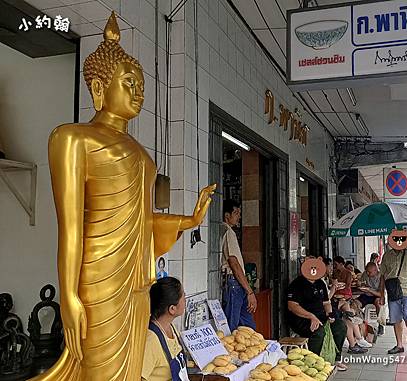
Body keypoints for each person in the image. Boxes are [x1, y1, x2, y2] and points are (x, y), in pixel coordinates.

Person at [31, 13, 216, 381]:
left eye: (142, 84)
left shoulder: (143, 157)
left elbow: (141, 221)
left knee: (130, 369)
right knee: (99, 371)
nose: (139, 92)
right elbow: (71, 228)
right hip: (98, 277)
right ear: (99, 89)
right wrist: (68, 294)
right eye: (129, 82)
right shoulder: (72, 139)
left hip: (136, 279)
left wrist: (189, 221)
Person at [287, 257, 349, 371]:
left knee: (340, 327)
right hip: (301, 319)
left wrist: (330, 314)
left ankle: (335, 359)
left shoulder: (320, 283)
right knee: (318, 332)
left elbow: (326, 302)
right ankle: (313, 363)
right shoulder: (296, 284)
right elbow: (292, 306)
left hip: (320, 316)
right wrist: (311, 316)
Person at [379, 244, 407, 354]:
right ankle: (399, 345)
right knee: (396, 319)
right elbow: (382, 276)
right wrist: (382, 295)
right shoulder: (387, 255)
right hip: (393, 291)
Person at [142, 277, 189, 381]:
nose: (185, 298)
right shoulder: (151, 341)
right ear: (172, 309)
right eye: (183, 296)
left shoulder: (171, 328)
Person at [221, 200, 256, 331]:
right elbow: (233, 263)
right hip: (233, 283)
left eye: (239, 213)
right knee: (232, 326)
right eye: (236, 213)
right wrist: (249, 291)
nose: (238, 216)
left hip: (237, 284)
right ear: (227, 215)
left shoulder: (228, 231)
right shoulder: (228, 231)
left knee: (248, 327)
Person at [358, 262, 384, 335]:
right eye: (367, 272)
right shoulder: (365, 274)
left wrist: (369, 290)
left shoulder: (381, 277)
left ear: (376, 270)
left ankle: (380, 324)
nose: (368, 274)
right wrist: (361, 284)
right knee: (355, 304)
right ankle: (361, 322)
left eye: (370, 272)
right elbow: (360, 282)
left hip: (377, 296)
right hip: (366, 295)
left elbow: (380, 294)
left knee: (378, 303)